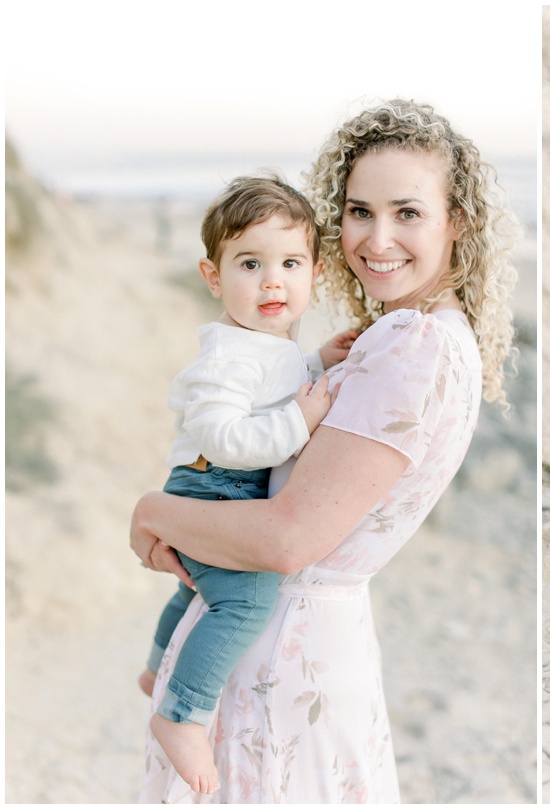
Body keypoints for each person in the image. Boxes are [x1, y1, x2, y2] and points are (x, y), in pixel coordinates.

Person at [130, 99, 518, 802]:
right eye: (359, 212)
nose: (376, 238)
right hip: (303, 644)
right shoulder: (422, 334)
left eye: (407, 212)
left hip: (276, 653)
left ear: (456, 221)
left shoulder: (414, 343)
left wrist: (153, 508)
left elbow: (288, 539)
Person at [139, 174, 359, 794]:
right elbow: (224, 436)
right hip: (213, 485)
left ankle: (158, 667)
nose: (272, 280)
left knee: (197, 590)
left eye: (290, 262)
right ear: (213, 278)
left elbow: (278, 378)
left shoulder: (267, 342)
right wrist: (301, 420)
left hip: (222, 485)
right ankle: (180, 713)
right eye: (250, 263)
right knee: (246, 599)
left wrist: (318, 361)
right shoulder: (225, 356)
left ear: (314, 271)